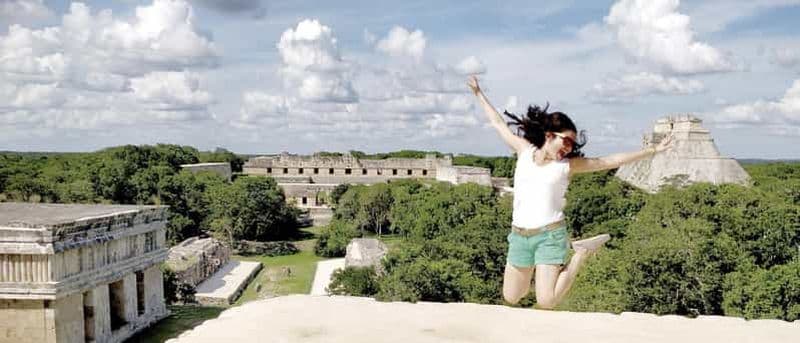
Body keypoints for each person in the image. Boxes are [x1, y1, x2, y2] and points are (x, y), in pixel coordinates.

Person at [468, 75, 673, 309]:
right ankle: (539, 275)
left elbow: (609, 160)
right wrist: (478, 93)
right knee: (512, 296)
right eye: (565, 141)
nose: (568, 148)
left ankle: (581, 254)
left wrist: (653, 150)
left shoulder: (567, 166)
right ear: (549, 135)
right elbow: (498, 124)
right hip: (519, 236)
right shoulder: (523, 151)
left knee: (547, 301)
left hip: (549, 236)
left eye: (572, 145)